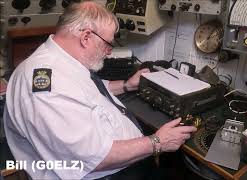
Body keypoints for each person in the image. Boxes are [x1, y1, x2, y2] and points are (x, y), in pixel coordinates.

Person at [3, 1, 197, 179]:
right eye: (108, 43)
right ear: (86, 37)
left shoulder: (61, 61)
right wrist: (157, 142)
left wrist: (125, 85)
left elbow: (86, 89)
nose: (109, 50)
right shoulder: (49, 87)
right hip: (106, 173)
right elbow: (94, 158)